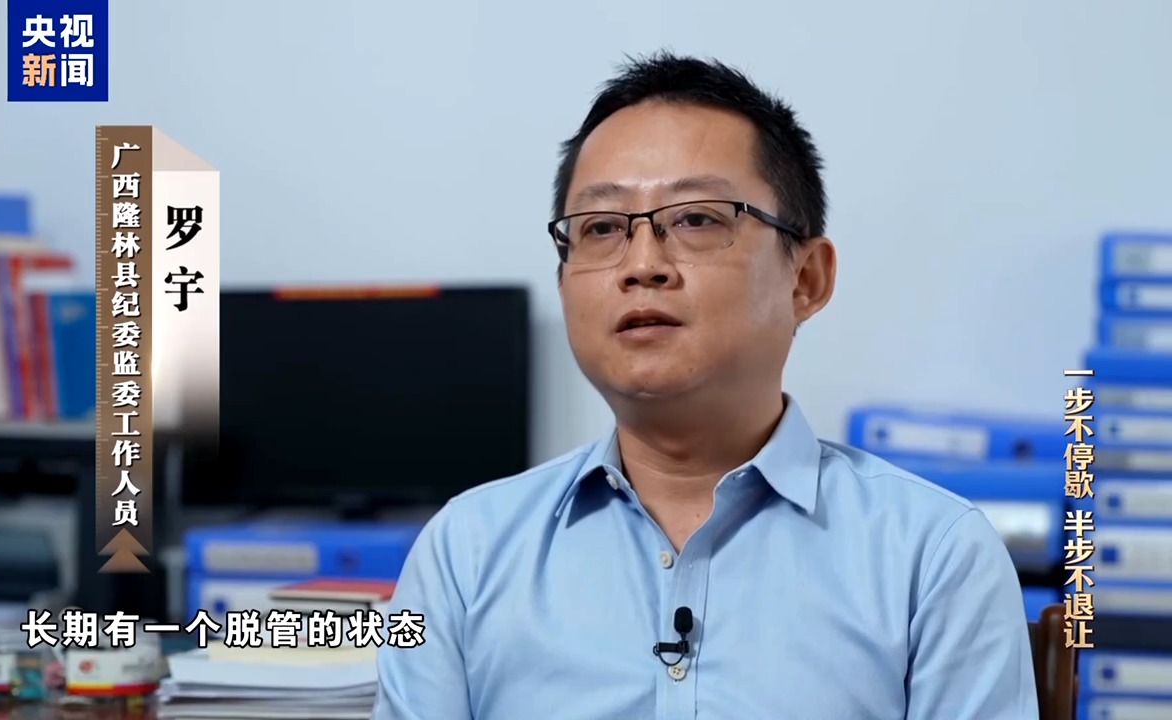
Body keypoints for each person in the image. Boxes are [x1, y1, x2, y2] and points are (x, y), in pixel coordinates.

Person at [372, 52, 1037, 719]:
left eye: (696, 219)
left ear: (806, 280)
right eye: (601, 228)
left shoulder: (933, 556)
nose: (642, 265)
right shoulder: (465, 551)